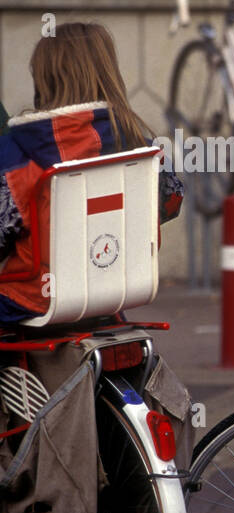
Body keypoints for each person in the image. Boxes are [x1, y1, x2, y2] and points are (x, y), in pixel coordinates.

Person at [0, 22, 183, 322]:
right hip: (114, 292)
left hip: (35, 300)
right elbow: (172, 201)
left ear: (43, 79)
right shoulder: (140, 147)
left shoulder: (17, 154)